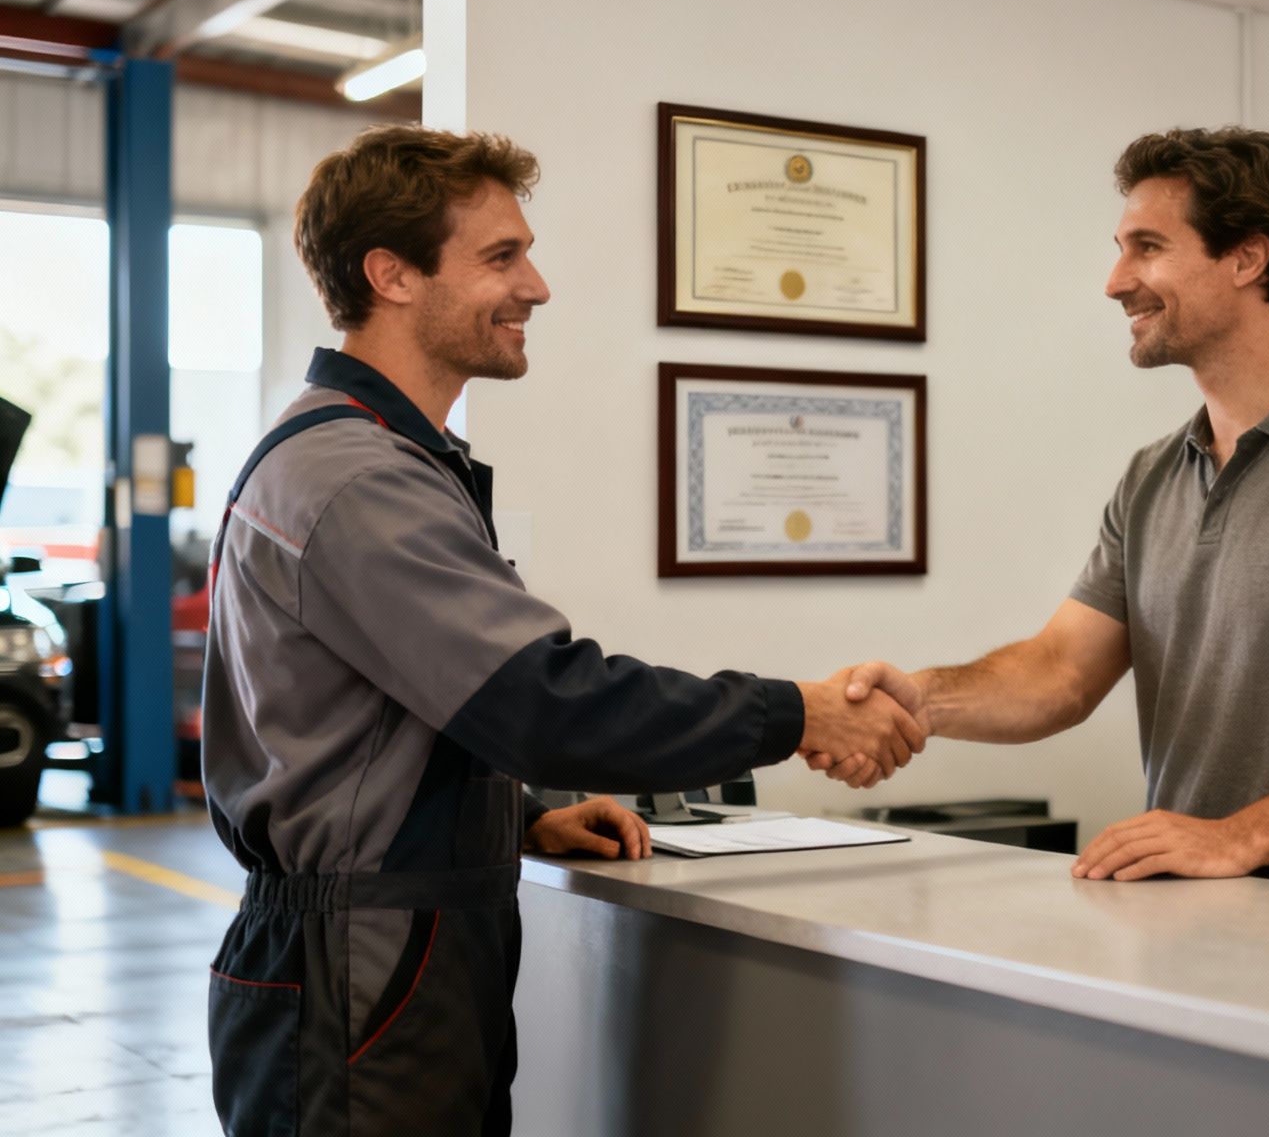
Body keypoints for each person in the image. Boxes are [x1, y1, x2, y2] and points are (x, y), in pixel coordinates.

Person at [201, 125, 922, 1136]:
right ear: (391, 275)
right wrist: (793, 712)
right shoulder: (358, 477)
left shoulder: (378, 459)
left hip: (392, 950)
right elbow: (540, 699)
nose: (535, 286)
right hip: (359, 970)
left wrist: (516, 813)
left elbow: (395, 718)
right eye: (500, 257)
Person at [832, 127, 1269, 895]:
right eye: (1121, 248)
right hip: (1195, 889)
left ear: (1248, 258)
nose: (1116, 281)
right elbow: (1062, 673)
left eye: (1147, 247)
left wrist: (1237, 838)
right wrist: (924, 698)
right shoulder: (1153, 474)